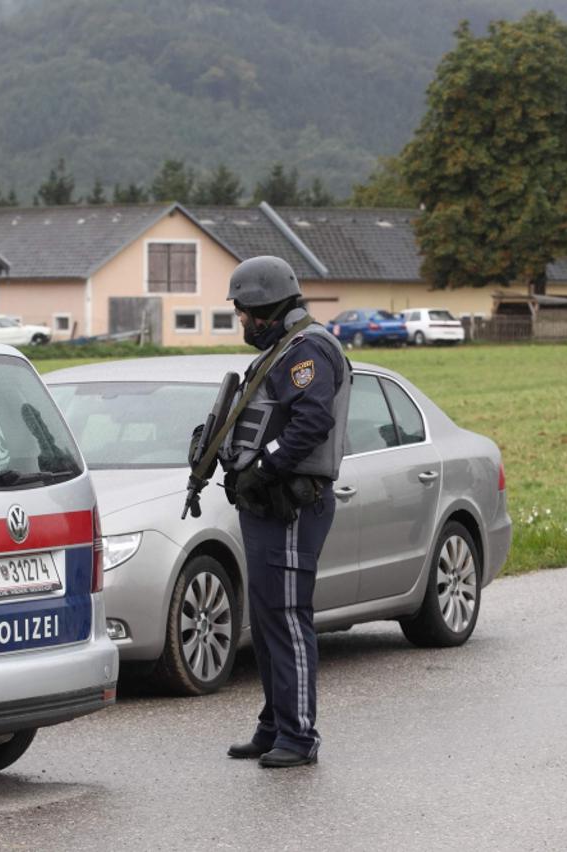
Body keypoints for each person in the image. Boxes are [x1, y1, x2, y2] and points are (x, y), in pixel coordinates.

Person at [217, 255, 350, 767]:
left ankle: (298, 735)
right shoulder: (280, 350)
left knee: (289, 617)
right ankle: (274, 725)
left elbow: (311, 419)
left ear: (267, 307)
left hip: (292, 502)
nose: (242, 322)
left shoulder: (308, 349)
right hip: (267, 503)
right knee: (268, 615)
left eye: (245, 312)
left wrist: (266, 468)